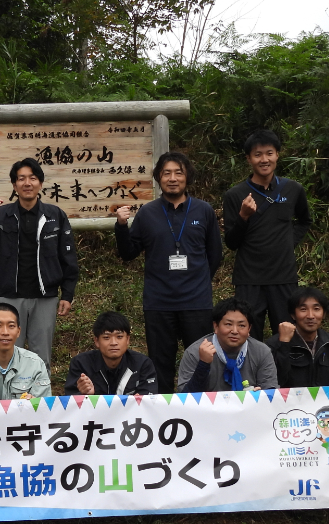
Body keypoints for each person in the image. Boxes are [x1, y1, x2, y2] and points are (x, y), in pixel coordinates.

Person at [116, 151, 222, 393]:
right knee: (160, 362)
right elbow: (128, 253)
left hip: (196, 302)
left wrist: (199, 281)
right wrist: (122, 227)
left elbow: (215, 255)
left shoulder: (203, 211)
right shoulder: (148, 212)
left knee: (201, 358)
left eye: (178, 173)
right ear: (158, 178)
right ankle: (164, 413)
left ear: (187, 177)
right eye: (167, 173)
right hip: (159, 302)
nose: (172, 178)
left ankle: (201, 408)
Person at [0, 157, 78, 368]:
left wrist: (67, 293)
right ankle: (8, 401)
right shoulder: (2, 214)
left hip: (45, 297)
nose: (27, 183)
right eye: (21, 179)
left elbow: (68, 257)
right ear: (14, 184)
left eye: (32, 178)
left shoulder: (55, 215)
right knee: (6, 355)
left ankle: (40, 401)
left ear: (40, 183)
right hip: (10, 297)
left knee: (41, 358)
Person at [223, 129, 312, 339]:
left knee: (287, 335)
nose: (264, 159)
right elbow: (231, 242)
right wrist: (243, 216)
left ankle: (284, 373)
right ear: (248, 159)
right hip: (249, 279)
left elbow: (304, 220)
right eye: (258, 154)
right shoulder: (235, 195)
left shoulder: (293, 189)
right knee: (249, 336)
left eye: (269, 153)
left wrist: (288, 242)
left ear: (277, 155)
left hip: (283, 277)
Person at [177, 297, 277, 393]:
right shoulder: (195, 352)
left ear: (249, 329)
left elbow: (271, 395)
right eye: (228, 324)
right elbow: (185, 400)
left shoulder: (261, 352)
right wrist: (203, 365)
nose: (234, 331)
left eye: (241, 325)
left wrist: (260, 396)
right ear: (216, 326)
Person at [264, 286, 329, 387]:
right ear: (293, 314)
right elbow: (275, 383)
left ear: (324, 314)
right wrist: (284, 344)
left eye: (316, 309)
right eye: (303, 309)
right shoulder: (274, 344)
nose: (310, 316)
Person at [65, 311, 158, 396]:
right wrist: (87, 395)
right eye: (106, 337)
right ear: (96, 341)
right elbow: (69, 404)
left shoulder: (142, 364)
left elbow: (149, 402)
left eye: (119, 336)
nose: (114, 343)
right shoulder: (81, 364)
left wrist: (139, 401)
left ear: (128, 340)